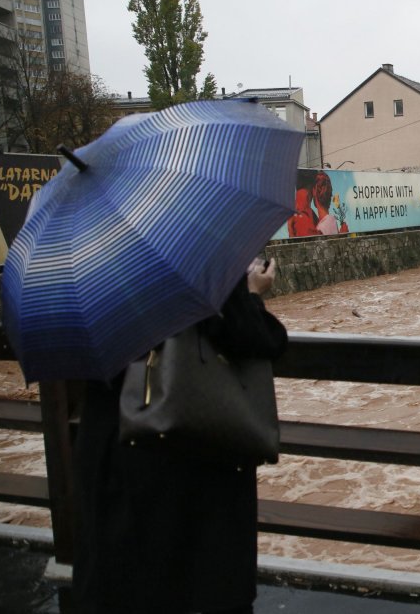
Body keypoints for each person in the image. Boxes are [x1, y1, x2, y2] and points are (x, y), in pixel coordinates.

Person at [73, 259, 287, 614]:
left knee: (120, 581)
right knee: (197, 581)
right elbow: (250, 335)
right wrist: (251, 293)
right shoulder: (189, 253)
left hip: (108, 445)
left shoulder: (89, 264)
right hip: (179, 453)